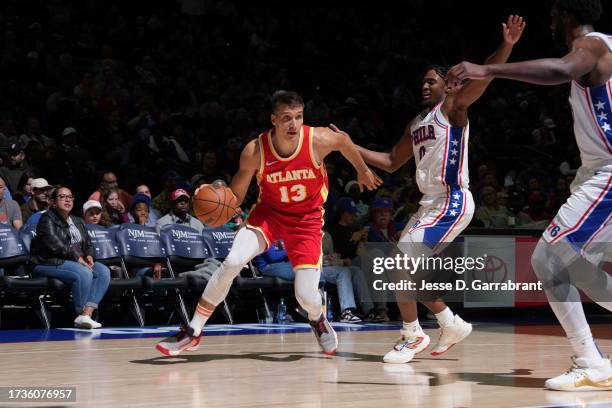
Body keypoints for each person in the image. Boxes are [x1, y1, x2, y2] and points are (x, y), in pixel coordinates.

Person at [448, 0, 611, 391]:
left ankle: (589, 360)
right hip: (596, 172)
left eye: (554, 16)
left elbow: (561, 69)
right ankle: (591, 361)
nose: (551, 23)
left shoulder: (590, 46)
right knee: (571, 263)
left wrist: (487, 68)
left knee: (549, 256)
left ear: (566, 16)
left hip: (608, 173)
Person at [344, 16, 525, 364]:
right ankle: (449, 322)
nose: (425, 87)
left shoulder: (453, 108)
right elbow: (390, 161)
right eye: (422, 83)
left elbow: (486, 73)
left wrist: (508, 45)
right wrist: (348, 145)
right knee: (401, 268)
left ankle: (412, 336)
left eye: (431, 81)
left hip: (452, 200)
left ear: (449, 84)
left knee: (399, 261)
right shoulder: (417, 123)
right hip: (429, 205)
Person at [156, 90, 380, 356]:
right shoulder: (255, 150)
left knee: (306, 297)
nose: (294, 124)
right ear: (273, 119)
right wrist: (215, 197)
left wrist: (362, 169)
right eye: (286, 118)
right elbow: (235, 198)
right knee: (233, 261)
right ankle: (193, 330)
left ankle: (317, 319)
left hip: (306, 221)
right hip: (269, 215)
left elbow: (344, 141)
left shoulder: (317, 139)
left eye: (298, 117)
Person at [30, 186, 111, 329]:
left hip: (74, 261)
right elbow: (55, 245)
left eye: (70, 196)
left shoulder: (78, 220)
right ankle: (80, 312)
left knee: (103, 271)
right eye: (62, 197)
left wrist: (90, 255)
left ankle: (86, 314)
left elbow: (88, 243)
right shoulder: (47, 219)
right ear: (53, 202)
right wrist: (78, 259)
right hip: (48, 262)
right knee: (84, 272)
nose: (67, 199)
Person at [253, 240, 362, 323]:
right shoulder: (267, 230)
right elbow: (272, 256)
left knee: (315, 273)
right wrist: (294, 250)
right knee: (308, 273)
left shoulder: (284, 231)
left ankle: (313, 310)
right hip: (268, 266)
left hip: (286, 264)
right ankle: (309, 309)